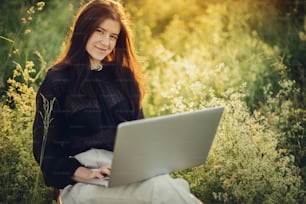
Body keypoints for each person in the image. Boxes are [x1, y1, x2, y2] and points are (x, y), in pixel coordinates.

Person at [33, 0, 202, 203]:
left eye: (113, 36)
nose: (106, 42)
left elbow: (139, 134)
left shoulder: (123, 77)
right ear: (83, 29)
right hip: (83, 182)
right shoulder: (58, 79)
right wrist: (85, 173)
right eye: (99, 31)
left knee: (172, 186)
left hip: (125, 172)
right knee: (162, 189)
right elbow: (45, 150)